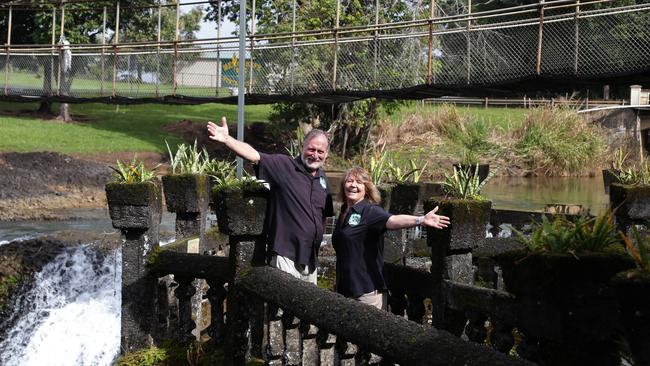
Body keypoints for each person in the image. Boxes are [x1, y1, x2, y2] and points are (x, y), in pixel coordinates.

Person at [207, 116, 334, 284]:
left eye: (320, 152)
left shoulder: (323, 179)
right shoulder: (284, 166)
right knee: (283, 307)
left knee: (307, 307)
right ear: (302, 146)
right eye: (311, 149)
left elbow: (324, 216)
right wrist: (227, 139)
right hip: (286, 255)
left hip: (311, 260)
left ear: (326, 154)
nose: (315, 155)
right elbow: (254, 156)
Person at [332, 166, 450, 310]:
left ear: (367, 188)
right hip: (345, 288)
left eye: (359, 182)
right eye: (349, 181)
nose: (353, 185)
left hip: (366, 291)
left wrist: (420, 220)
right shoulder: (344, 211)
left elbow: (392, 220)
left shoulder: (370, 211)